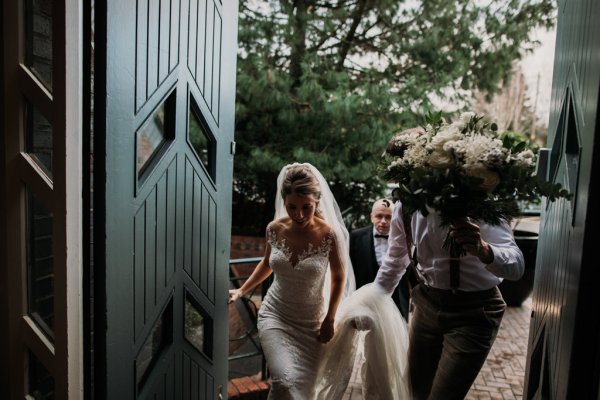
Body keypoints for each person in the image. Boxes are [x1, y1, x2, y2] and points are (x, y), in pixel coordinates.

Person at [374, 195, 525, 398]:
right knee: (416, 391)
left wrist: (484, 249)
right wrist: (372, 304)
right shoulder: (406, 204)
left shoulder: (480, 198)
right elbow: (394, 260)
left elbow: (516, 266)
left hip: (474, 312)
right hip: (425, 303)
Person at [228, 163, 356, 399]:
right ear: (284, 201)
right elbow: (267, 263)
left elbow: (339, 277)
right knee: (285, 380)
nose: (298, 214)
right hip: (275, 315)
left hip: (312, 324)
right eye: (291, 207)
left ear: (317, 202)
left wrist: (330, 318)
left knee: (303, 389)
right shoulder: (274, 229)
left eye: (306, 207)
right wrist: (242, 291)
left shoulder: (330, 234)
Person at [349, 198, 412, 320]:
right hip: (363, 301)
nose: (383, 221)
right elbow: (349, 270)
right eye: (379, 216)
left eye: (388, 217)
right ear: (372, 217)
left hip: (397, 302)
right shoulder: (356, 237)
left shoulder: (405, 238)